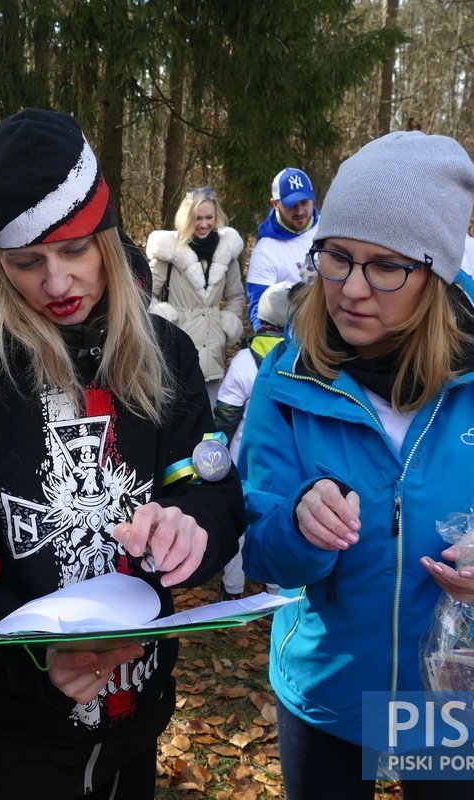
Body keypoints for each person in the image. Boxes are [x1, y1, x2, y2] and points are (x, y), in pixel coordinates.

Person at [239, 131, 474, 800]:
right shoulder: (288, 375)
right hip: (327, 684)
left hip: (462, 688)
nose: (352, 289)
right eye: (337, 257)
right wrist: (299, 527)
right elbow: (265, 554)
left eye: (386, 266)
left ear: (436, 270)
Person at [0, 108, 244, 800]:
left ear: (110, 242)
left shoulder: (167, 356)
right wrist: (38, 659)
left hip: (133, 729)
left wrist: (194, 530)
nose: (55, 284)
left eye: (76, 250)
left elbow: (208, 487)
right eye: (27, 262)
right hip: (2, 747)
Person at [211, 280, 294, 600]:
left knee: (240, 525)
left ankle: (232, 590)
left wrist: (211, 460)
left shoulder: (244, 361)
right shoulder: (303, 359)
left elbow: (226, 417)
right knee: (282, 523)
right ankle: (276, 594)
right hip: (287, 463)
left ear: (261, 320)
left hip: (243, 461)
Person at [145, 186, 245, 408]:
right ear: (186, 218)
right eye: (197, 218)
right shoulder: (169, 251)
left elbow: (236, 295)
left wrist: (227, 323)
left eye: (209, 217)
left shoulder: (227, 251)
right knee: (176, 416)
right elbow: (143, 293)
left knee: (209, 419)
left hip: (213, 349)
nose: (204, 224)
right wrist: (165, 319)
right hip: (177, 345)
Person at [245, 167, 319, 329]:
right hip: (296, 336)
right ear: (275, 204)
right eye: (292, 205)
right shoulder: (265, 251)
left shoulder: (328, 227)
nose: (300, 211)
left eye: (304, 202)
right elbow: (260, 312)